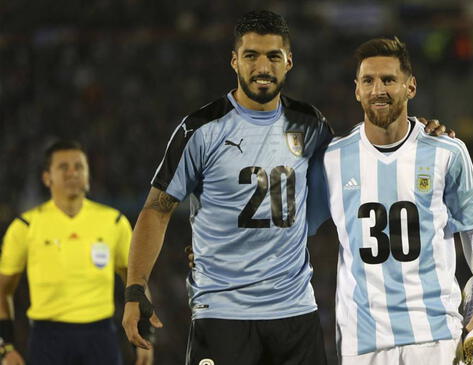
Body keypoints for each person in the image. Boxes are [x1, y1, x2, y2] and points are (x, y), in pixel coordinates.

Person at [122, 10, 448, 365]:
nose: (263, 66)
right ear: (234, 61)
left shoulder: (310, 125)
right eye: (251, 56)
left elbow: (365, 157)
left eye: (273, 56)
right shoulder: (200, 129)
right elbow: (157, 207)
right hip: (222, 313)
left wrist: (420, 132)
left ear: (289, 61)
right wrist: (136, 288)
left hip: (294, 313)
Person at [307, 37, 473, 364]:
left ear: (410, 87)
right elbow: (293, 228)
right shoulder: (332, 160)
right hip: (362, 341)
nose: (378, 89)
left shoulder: (447, 152)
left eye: (388, 80)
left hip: (435, 335)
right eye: (368, 80)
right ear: (356, 89)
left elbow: (472, 227)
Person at [0, 140, 153, 365]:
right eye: (63, 167)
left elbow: (136, 283)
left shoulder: (114, 222)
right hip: (47, 338)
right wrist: (6, 347)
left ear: (88, 175)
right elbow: (3, 291)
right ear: (47, 177)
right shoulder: (25, 226)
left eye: (79, 167)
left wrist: (145, 336)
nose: (72, 173)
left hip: (100, 336)